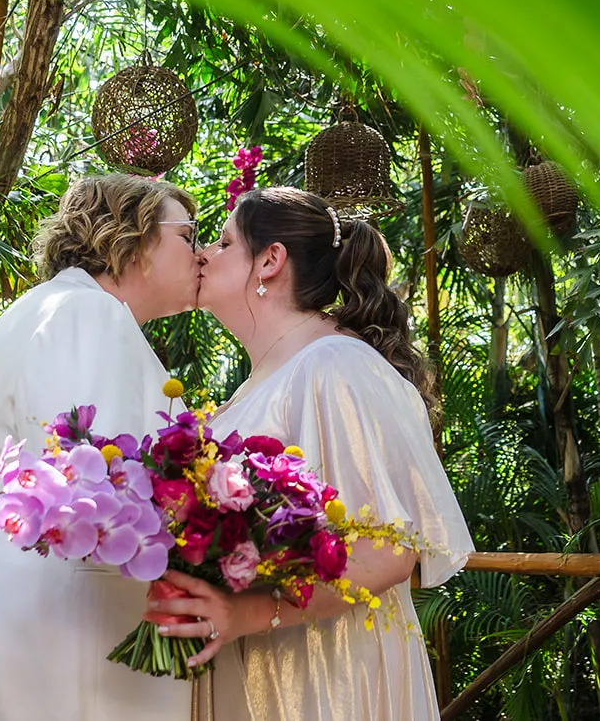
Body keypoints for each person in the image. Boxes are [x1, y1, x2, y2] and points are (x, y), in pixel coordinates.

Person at [146, 186, 473, 721]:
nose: (204, 254)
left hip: (326, 672)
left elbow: (389, 550)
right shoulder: (258, 383)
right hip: (254, 666)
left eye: (225, 243)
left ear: (270, 261)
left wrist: (248, 613)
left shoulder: (336, 364)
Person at [0, 174, 202, 721]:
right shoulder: (88, 314)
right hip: (49, 644)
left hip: (21, 625)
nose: (201, 256)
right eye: (189, 234)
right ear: (133, 236)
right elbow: (100, 484)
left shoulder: (60, 308)